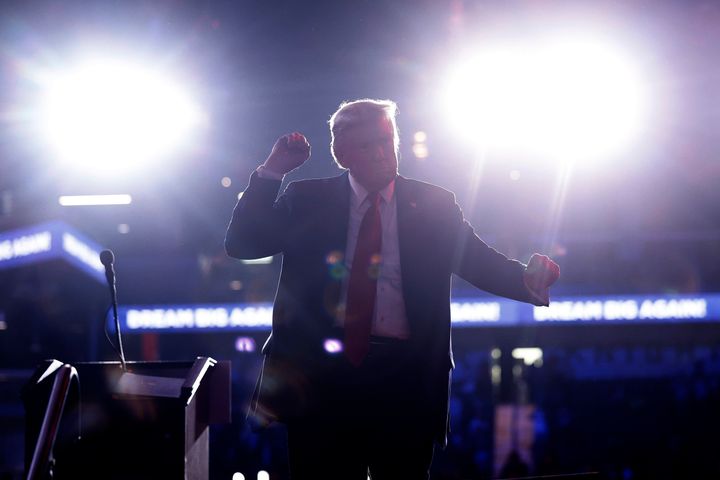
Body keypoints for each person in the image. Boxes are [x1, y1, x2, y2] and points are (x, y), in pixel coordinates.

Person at [225, 99, 560, 480]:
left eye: (387, 139)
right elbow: (242, 244)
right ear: (342, 153)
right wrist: (273, 172)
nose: (382, 152)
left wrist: (526, 279)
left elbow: (476, 261)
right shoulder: (307, 199)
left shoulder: (435, 204)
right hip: (319, 380)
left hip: (406, 380)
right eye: (368, 144)